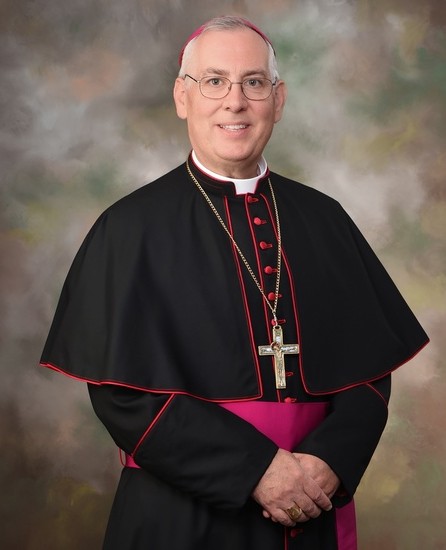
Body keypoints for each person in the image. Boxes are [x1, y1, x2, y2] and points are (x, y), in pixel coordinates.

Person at [40, 15, 429, 550]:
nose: (235, 102)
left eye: (254, 82)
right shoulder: (128, 229)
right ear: (182, 97)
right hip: (181, 517)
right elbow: (123, 397)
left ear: (278, 99)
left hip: (313, 505)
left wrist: (328, 462)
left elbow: (368, 371)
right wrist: (257, 469)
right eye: (214, 81)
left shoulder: (325, 219)